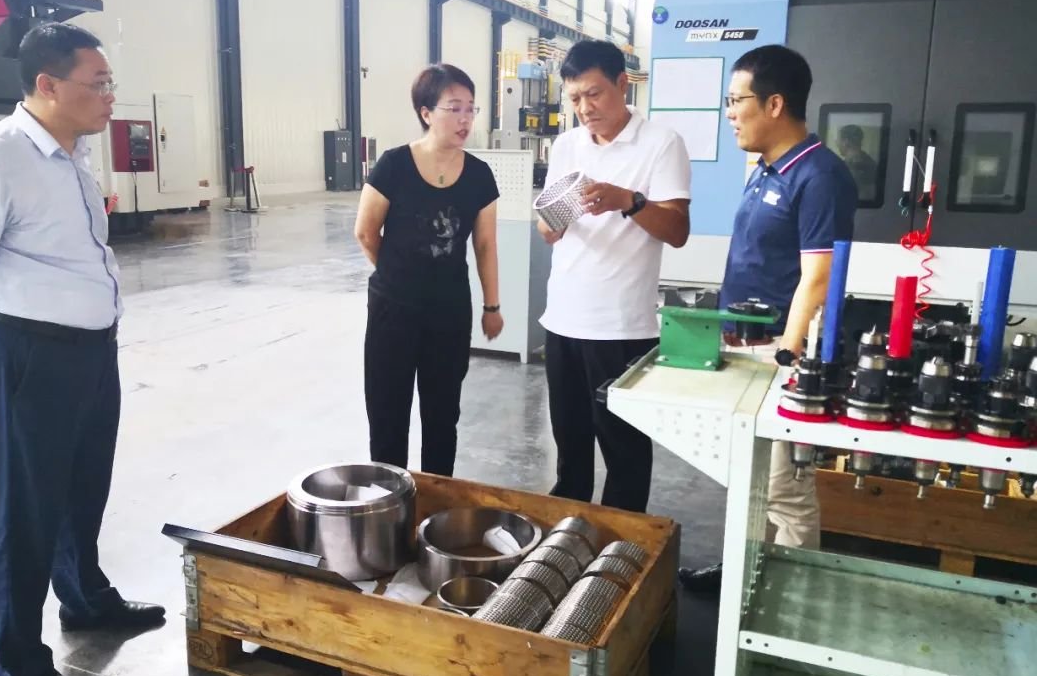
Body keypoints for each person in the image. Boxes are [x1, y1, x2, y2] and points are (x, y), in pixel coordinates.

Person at [0, 23, 165, 676]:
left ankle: (84, 598)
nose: (110, 96)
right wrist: (8, 323)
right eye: (97, 83)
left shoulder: (73, 155)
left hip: (89, 350)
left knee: (81, 485)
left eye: (110, 83)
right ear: (47, 85)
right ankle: (19, 661)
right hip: (28, 354)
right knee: (23, 510)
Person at [678, 45, 857, 593]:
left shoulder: (820, 176)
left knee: (784, 488)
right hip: (744, 348)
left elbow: (819, 277)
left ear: (775, 104)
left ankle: (794, 597)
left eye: (737, 101)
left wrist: (788, 353)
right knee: (750, 478)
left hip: (781, 355)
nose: (730, 113)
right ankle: (745, 575)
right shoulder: (764, 170)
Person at [537, 40, 691, 514]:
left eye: (594, 94)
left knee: (624, 451)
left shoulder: (661, 144)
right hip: (563, 320)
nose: (585, 108)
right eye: (575, 98)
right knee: (570, 446)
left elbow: (677, 231)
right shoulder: (567, 145)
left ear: (623, 84)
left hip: (621, 327)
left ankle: (623, 540)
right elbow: (548, 231)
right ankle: (568, 532)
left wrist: (629, 201)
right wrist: (554, 221)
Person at [355, 63, 502, 476]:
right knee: (388, 412)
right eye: (454, 108)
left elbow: (485, 244)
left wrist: (492, 306)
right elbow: (365, 232)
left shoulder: (479, 175)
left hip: (449, 312)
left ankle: (438, 499)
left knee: (442, 415)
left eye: (471, 108)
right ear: (426, 112)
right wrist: (398, 276)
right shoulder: (394, 165)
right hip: (393, 311)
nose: (465, 119)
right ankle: (389, 500)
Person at [836, 124, 877, 202]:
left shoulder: (853, 166)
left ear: (846, 141)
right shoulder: (870, 162)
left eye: (839, 140)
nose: (837, 144)